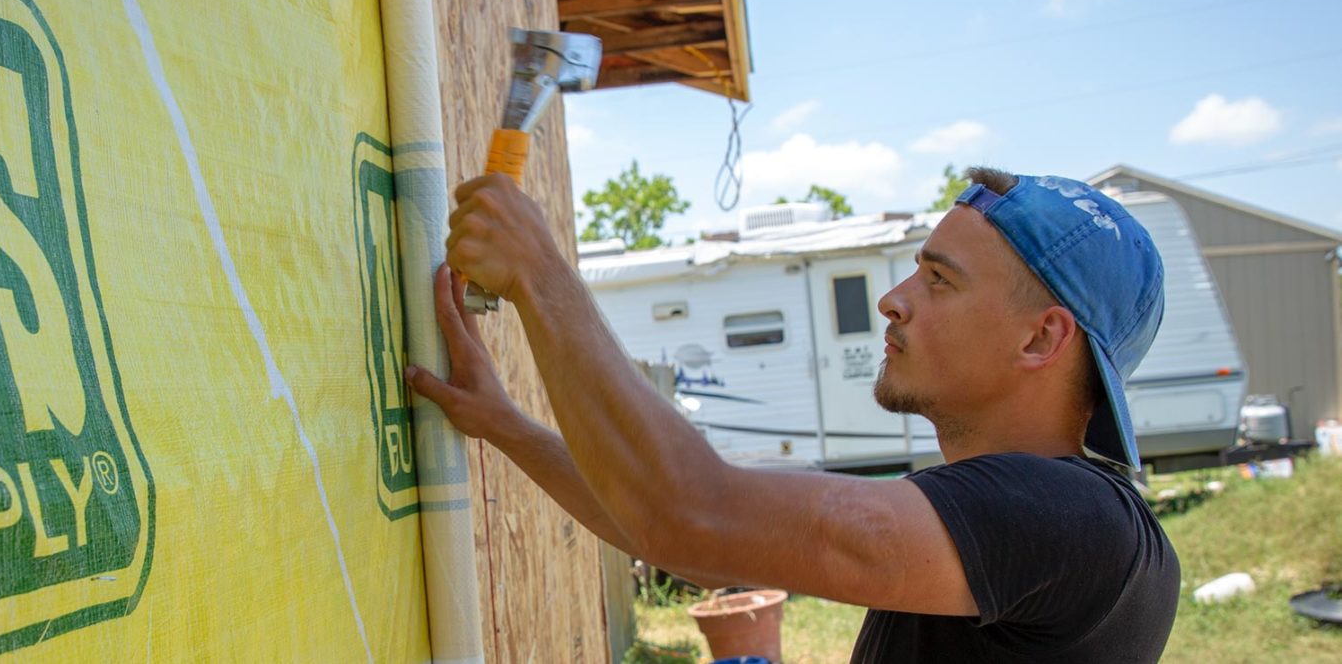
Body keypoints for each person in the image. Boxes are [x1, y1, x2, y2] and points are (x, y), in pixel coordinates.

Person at [405, 167, 1180, 662]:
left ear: (1041, 336)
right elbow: (704, 546)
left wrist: (540, 272)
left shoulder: (1062, 519)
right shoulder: (1042, 516)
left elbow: (694, 515)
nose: (894, 299)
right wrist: (505, 423)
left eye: (939, 281)